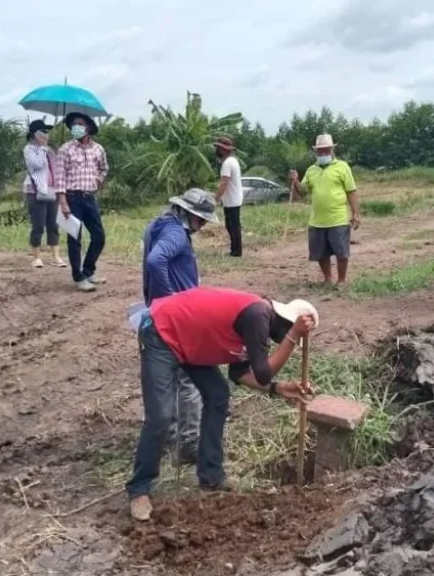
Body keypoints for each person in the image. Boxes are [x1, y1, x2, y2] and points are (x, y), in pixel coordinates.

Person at [126, 287, 318, 521]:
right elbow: (263, 374)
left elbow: (240, 375)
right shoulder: (258, 315)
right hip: (162, 332)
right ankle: (139, 488)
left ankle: (210, 475)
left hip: (190, 344)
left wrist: (278, 389)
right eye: (287, 334)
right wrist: (293, 336)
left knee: (218, 394)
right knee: (162, 416)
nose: (280, 340)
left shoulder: (258, 327)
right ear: (287, 321)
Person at [142, 188, 220, 464]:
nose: (203, 226)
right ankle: (189, 445)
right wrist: (173, 299)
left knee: (166, 381)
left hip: (160, 316)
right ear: (190, 215)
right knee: (190, 380)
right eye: (202, 220)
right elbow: (155, 261)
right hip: (179, 318)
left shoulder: (157, 224)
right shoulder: (175, 233)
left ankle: (168, 437)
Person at [289, 134, 360, 287]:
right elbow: (302, 192)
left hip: (338, 218)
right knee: (320, 253)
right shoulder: (311, 170)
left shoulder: (342, 167)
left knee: (341, 252)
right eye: (320, 151)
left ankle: (341, 280)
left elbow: (351, 191)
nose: (323, 153)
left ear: (332, 150)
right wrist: (295, 181)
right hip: (317, 220)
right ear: (316, 152)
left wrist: (356, 213)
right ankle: (328, 278)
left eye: (326, 150)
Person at [55, 112, 109, 292]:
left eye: (79, 124)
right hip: (71, 198)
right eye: (73, 125)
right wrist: (63, 203)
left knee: (99, 237)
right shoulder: (65, 149)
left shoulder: (98, 149)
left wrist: (99, 179)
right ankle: (78, 277)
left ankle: (88, 270)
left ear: (88, 127)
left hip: (89, 197)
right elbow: (60, 178)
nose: (75, 127)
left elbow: (103, 168)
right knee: (74, 239)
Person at [23, 119, 66, 268]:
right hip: (35, 191)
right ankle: (36, 257)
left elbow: (57, 167)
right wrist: (42, 149)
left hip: (52, 190)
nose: (46, 135)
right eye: (43, 132)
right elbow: (36, 165)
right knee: (39, 225)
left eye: (47, 132)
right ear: (35, 134)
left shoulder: (48, 150)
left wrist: (58, 153)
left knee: (53, 224)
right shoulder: (29, 149)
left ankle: (56, 256)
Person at [213, 136, 244, 257]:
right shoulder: (233, 161)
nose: (217, 150)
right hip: (232, 199)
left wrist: (216, 198)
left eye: (219, 148)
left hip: (232, 200)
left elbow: (224, 183)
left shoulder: (227, 163)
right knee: (231, 225)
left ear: (224, 150)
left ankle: (237, 251)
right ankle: (234, 249)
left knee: (233, 226)